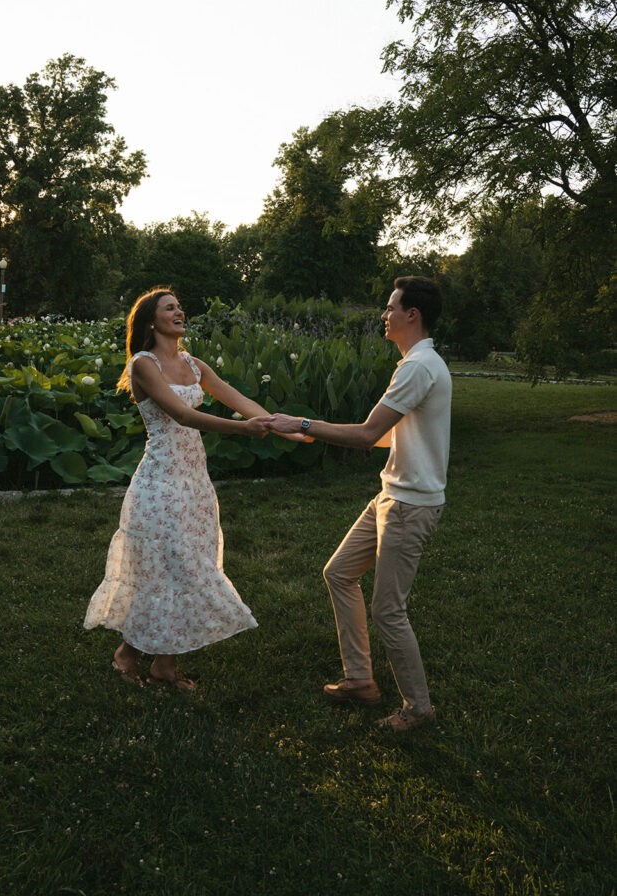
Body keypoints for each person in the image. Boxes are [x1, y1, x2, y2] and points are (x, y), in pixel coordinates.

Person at [84, 286, 306, 691]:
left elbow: (237, 398)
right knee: (163, 571)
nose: (179, 312)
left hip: (195, 483)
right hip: (160, 484)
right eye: (170, 308)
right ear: (151, 320)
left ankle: (156, 665)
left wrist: (281, 426)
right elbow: (184, 416)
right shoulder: (142, 364)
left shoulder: (193, 363)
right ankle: (135, 658)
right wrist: (245, 429)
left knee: (185, 570)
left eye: (180, 306)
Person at [264, 276, 451, 732]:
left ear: (413, 315)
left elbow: (367, 434)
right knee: (339, 572)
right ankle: (360, 680)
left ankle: (418, 709)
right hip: (392, 495)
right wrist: (311, 429)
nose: (383, 315)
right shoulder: (416, 364)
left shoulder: (418, 366)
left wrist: (304, 422)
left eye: (390, 308)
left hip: (409, 506)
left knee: (389, 610)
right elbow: (384, 436)